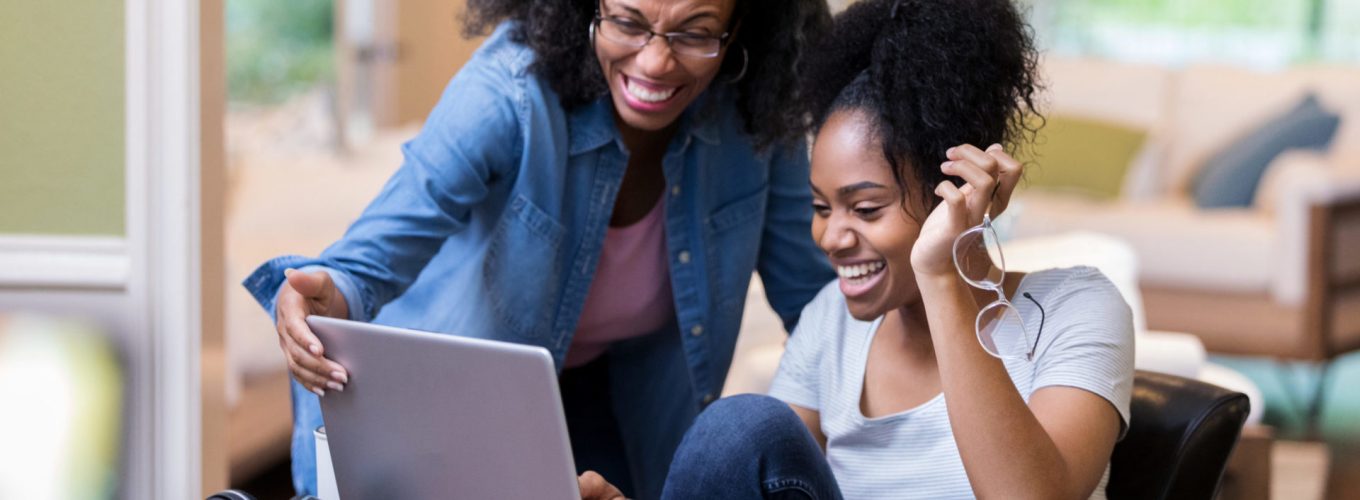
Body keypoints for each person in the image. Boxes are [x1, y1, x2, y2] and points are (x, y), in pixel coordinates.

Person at [241, 0, 835, 497]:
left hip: (623, 406)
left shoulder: (759, 112)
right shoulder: (508, 93)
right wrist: (328, 293)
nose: (655, 61)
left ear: (743, 28)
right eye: (627, 22)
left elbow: (818, 310)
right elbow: (364, 261)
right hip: (457, 404)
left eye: (696, 33)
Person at [579, 0, 1136, 498]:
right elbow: (748, 470)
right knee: (741, 426)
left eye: (866, 208)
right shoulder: (830, 323)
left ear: (960, 191)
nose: (832, 237)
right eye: (821, 208)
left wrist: (942, 273)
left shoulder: (1075, 307)